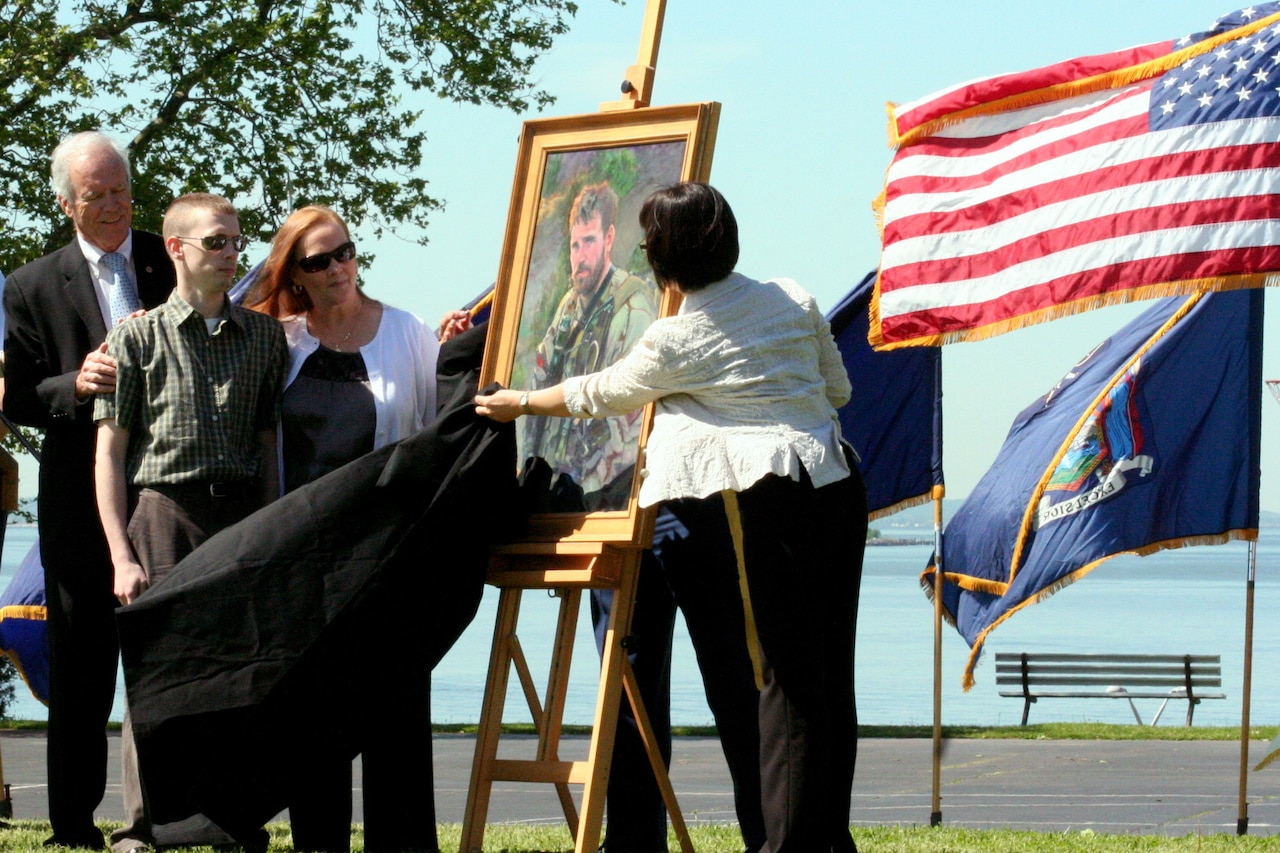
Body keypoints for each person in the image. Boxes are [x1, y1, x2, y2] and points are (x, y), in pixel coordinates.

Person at [476, 182, 868, 853]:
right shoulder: (793, 296)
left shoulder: (676, 336)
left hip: (766, 493)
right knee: (830, 670)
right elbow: (839, 389)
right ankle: (828, 836)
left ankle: (789, 845)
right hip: (835, 479)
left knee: (783, 678)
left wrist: (521, 402)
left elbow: (599, 392)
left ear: (661, 264)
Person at [246, 204, 446, 852]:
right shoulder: (279, 344)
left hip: (390, 562)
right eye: (320, 260)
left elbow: (439, 434)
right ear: (295, 275)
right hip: (305, 569)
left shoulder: (409, 333)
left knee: (396, 735)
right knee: (313, 737)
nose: (339, 267)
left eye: (346, 252)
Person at [95, 192, 289, 852]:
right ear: (176, 248)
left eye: (236, 241)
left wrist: (267, 530)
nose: (231, 253)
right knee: (153, 677)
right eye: (216, 242)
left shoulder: (263, 338)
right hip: (162, 513)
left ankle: (226, 818)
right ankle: (143, 826)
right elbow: (111, 454)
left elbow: (267, 443)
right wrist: (121, 552)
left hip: (240, 516)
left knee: (239, 676)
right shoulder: (135, 337)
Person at [2, 130, 176, 850]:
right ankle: (73, 824)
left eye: (120, 190)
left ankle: (169, 815)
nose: (111, 205)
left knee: (172, 657)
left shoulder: (169, 260)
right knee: (80, 666)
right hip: (78, 500)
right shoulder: (31, 284)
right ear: (67, 202)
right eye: (95, 194)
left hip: (170, 491)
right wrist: (77, 382)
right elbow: (18, 396)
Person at [526, 180, 658, 512]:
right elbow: (539, 387)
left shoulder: (633, 309)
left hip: (605, 500)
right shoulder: (568, 307)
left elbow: (629, 430)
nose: (580, 257)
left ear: (609, 238)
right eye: (574, 246)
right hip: (555, 493)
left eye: (589, 242)